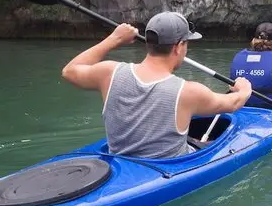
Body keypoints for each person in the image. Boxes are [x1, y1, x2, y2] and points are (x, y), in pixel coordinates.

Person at [61, 11, 253, 159]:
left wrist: (114, 39)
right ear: (178, 47)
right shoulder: (189, 92)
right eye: (187, 44)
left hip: (121, 161)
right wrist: (244, 89)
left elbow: (70, 71)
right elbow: (233, 103)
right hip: (169, 167)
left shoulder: (109, 72)